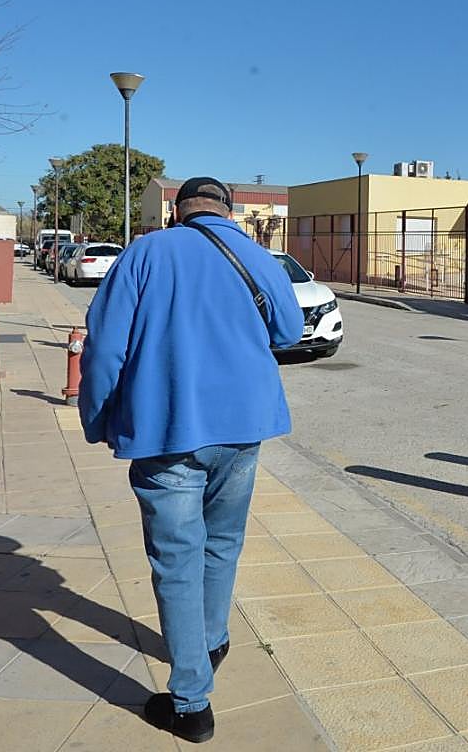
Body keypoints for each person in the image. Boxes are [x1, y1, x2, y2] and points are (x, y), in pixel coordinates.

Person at [79, 176, 304, 743]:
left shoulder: (146, 252)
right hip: (243, 431)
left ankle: (190, 704)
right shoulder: (257, 255)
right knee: (222, 542)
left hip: (166, 430)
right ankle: (210, 639)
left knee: (177, 560)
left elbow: (106, 345)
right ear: (229, 212)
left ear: (177, 210)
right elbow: (290, 330)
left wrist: (97, 417)